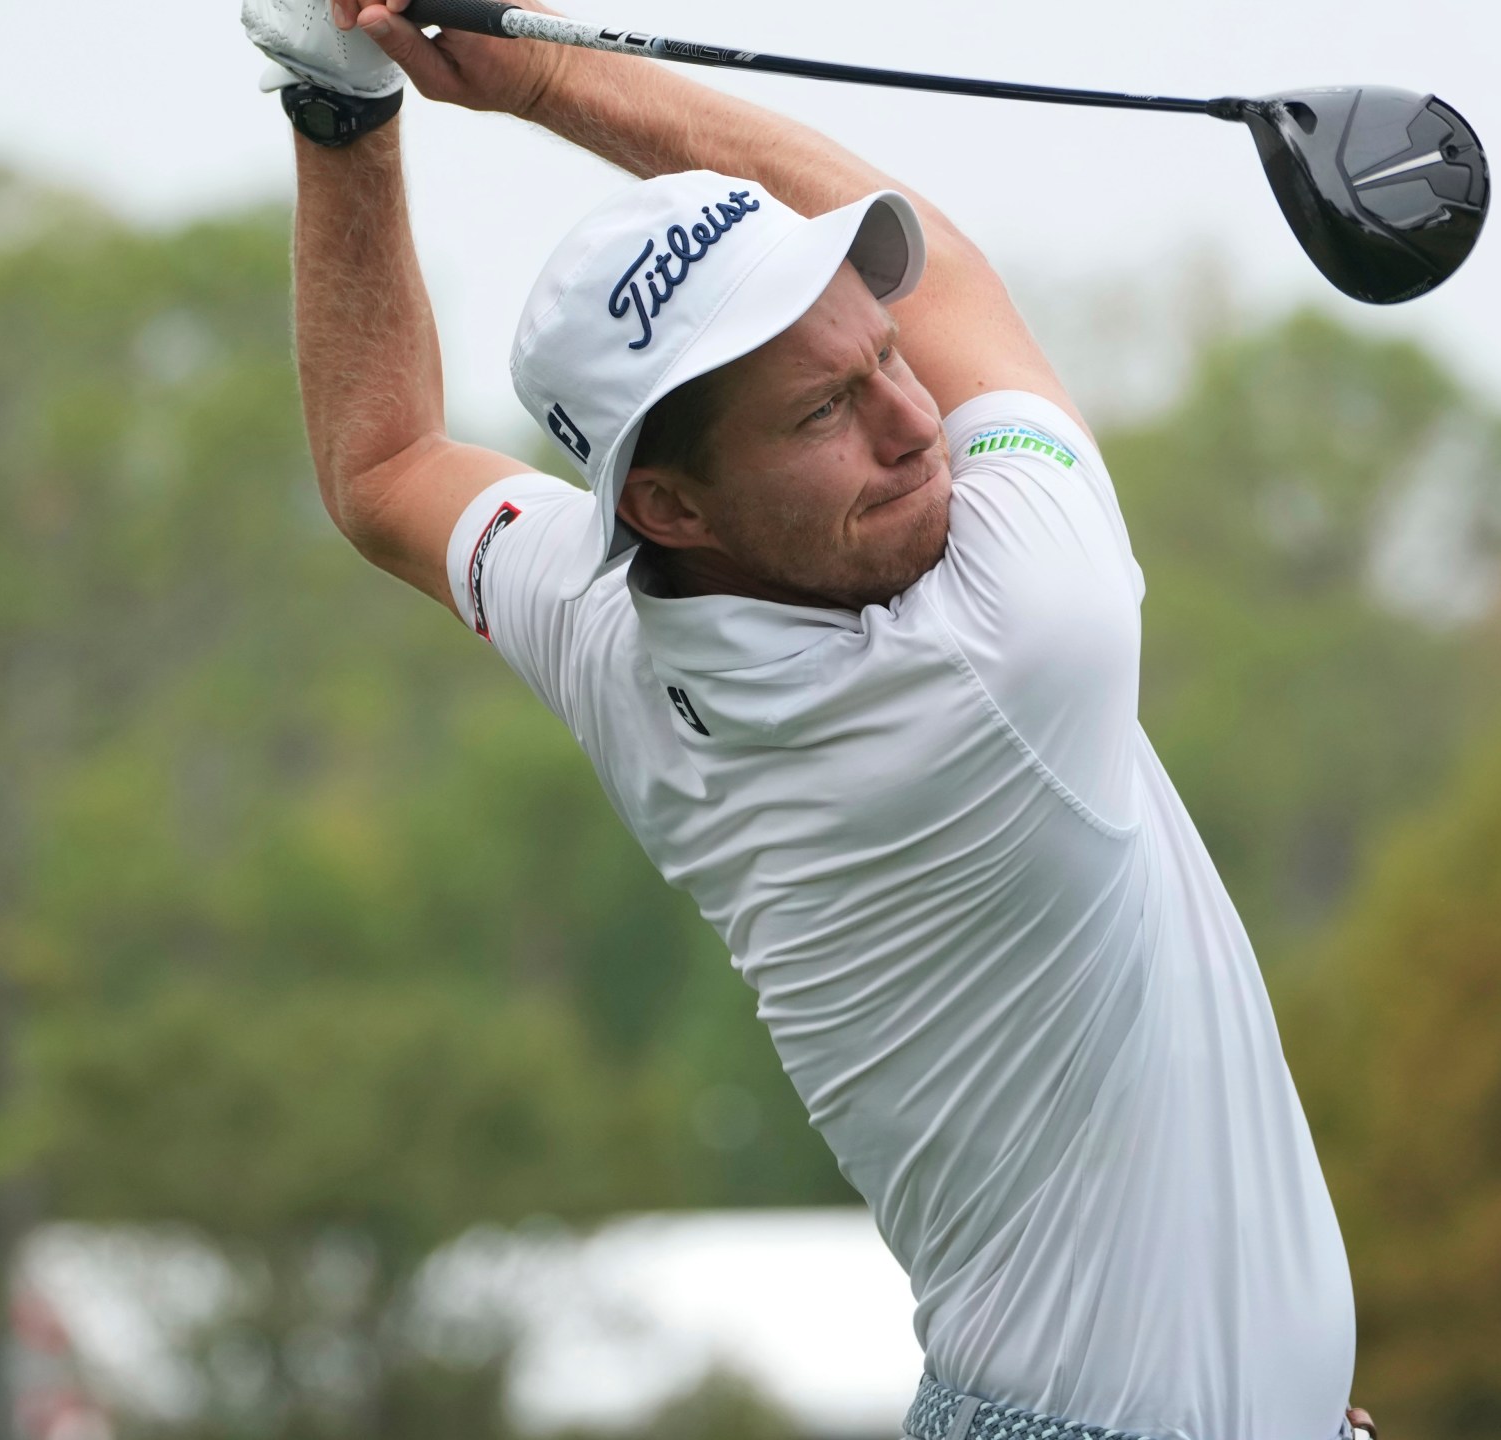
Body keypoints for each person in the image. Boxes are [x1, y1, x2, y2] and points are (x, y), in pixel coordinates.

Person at [240, 2, 1371, 1437]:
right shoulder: (1015, 645)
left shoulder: (609, 618)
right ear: (668, 501)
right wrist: (539, 78)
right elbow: (952, 269)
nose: (913, 424)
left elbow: (384, 464)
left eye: (883, 354)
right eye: (824, 409)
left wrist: (336, 103)